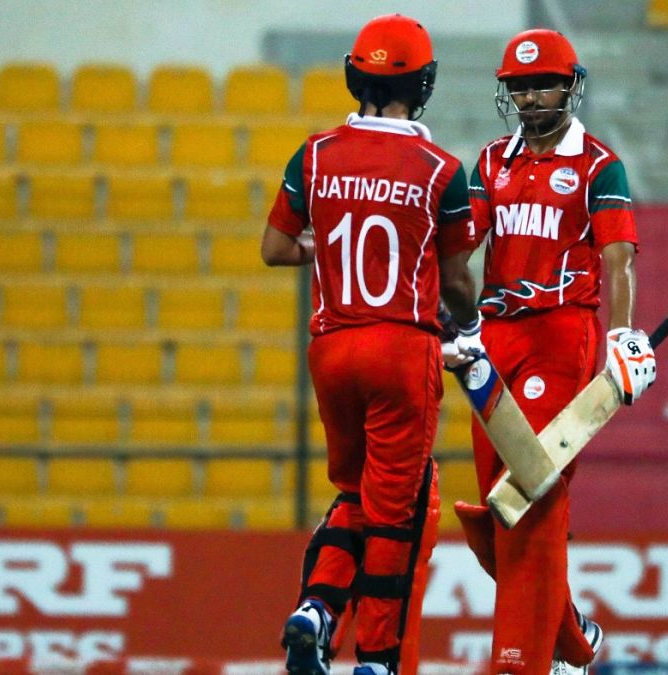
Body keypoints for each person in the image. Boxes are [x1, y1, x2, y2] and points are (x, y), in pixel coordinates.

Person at [260, 14, 482, 675]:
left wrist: (323, 247)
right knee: (398, 513)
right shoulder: (442, 169)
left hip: (331, 350)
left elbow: (274, 249)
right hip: (399, 351)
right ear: (424, 85)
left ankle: (318, 609)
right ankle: (377, 658)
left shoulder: (316, 153)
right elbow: (458, 279)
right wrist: (467, 325)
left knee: (354, 494)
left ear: (355, 76)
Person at [453, 28, 657, 675]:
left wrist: (623, 336)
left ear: (571, 85)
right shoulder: (490, 162)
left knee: (531, 491)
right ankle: (573, 639)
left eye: (542, 84)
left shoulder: (599, 165)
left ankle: (520, 662)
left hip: (560, 332)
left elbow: (618, 257)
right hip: (492, 338)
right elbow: (465, 242)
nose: (531, 97)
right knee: (501, 502)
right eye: (519, 86)